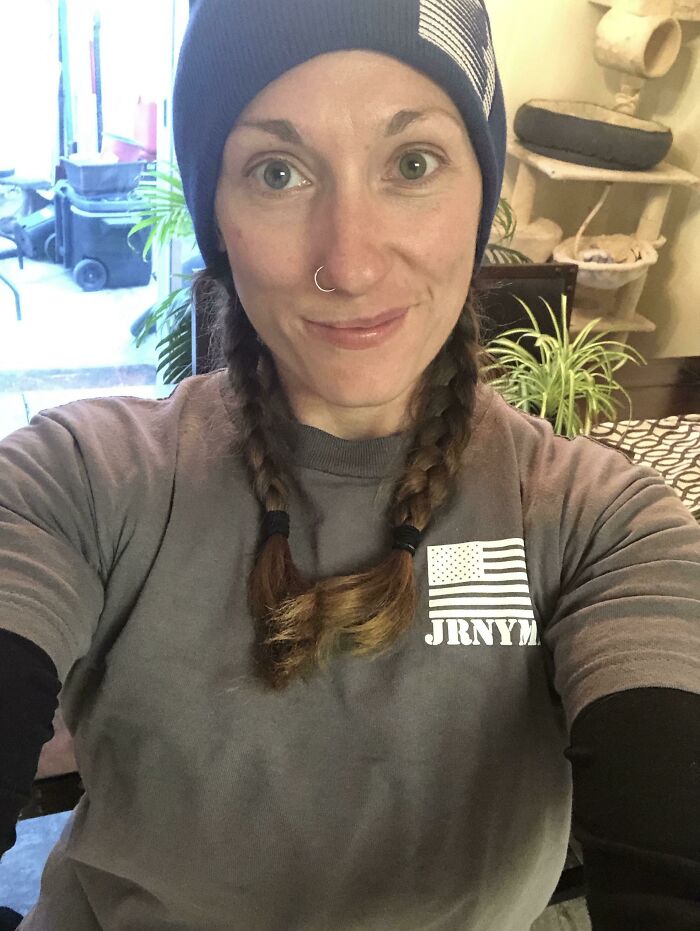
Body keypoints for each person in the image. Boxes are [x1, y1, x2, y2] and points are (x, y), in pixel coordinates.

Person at [1, 0, 699, 928]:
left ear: (479, 197)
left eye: (412, 164)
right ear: (216, 215)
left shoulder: (602, 526)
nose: (351, 261)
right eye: (278, 171)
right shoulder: (78, 479)